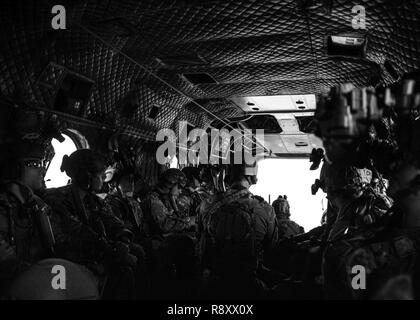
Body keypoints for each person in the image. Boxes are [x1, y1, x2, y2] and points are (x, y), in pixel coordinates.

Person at [42, 149, 138, 299]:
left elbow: (113, 222)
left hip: (95, 251)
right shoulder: (58, 198)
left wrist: (123, 239)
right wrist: (109, 250)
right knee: (125, 271)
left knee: (136, 253)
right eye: (101, 175)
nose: (104, 179)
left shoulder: (95, 200)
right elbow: (76, 231)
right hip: (71, 258)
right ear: (87, 176)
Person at [198, 159, 277, 299]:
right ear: (251, 175)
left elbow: (200, 243)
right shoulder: (265, 209)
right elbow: (271, 250)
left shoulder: (206, 205)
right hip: (247, 284)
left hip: (213, 284)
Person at [0, 140, 56, 297]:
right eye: (34, 164)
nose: (42, 171)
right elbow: (6, 262)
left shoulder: (38, 204)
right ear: (14, 169)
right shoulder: (3, 207)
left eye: (42, 164)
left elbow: (60, 237)